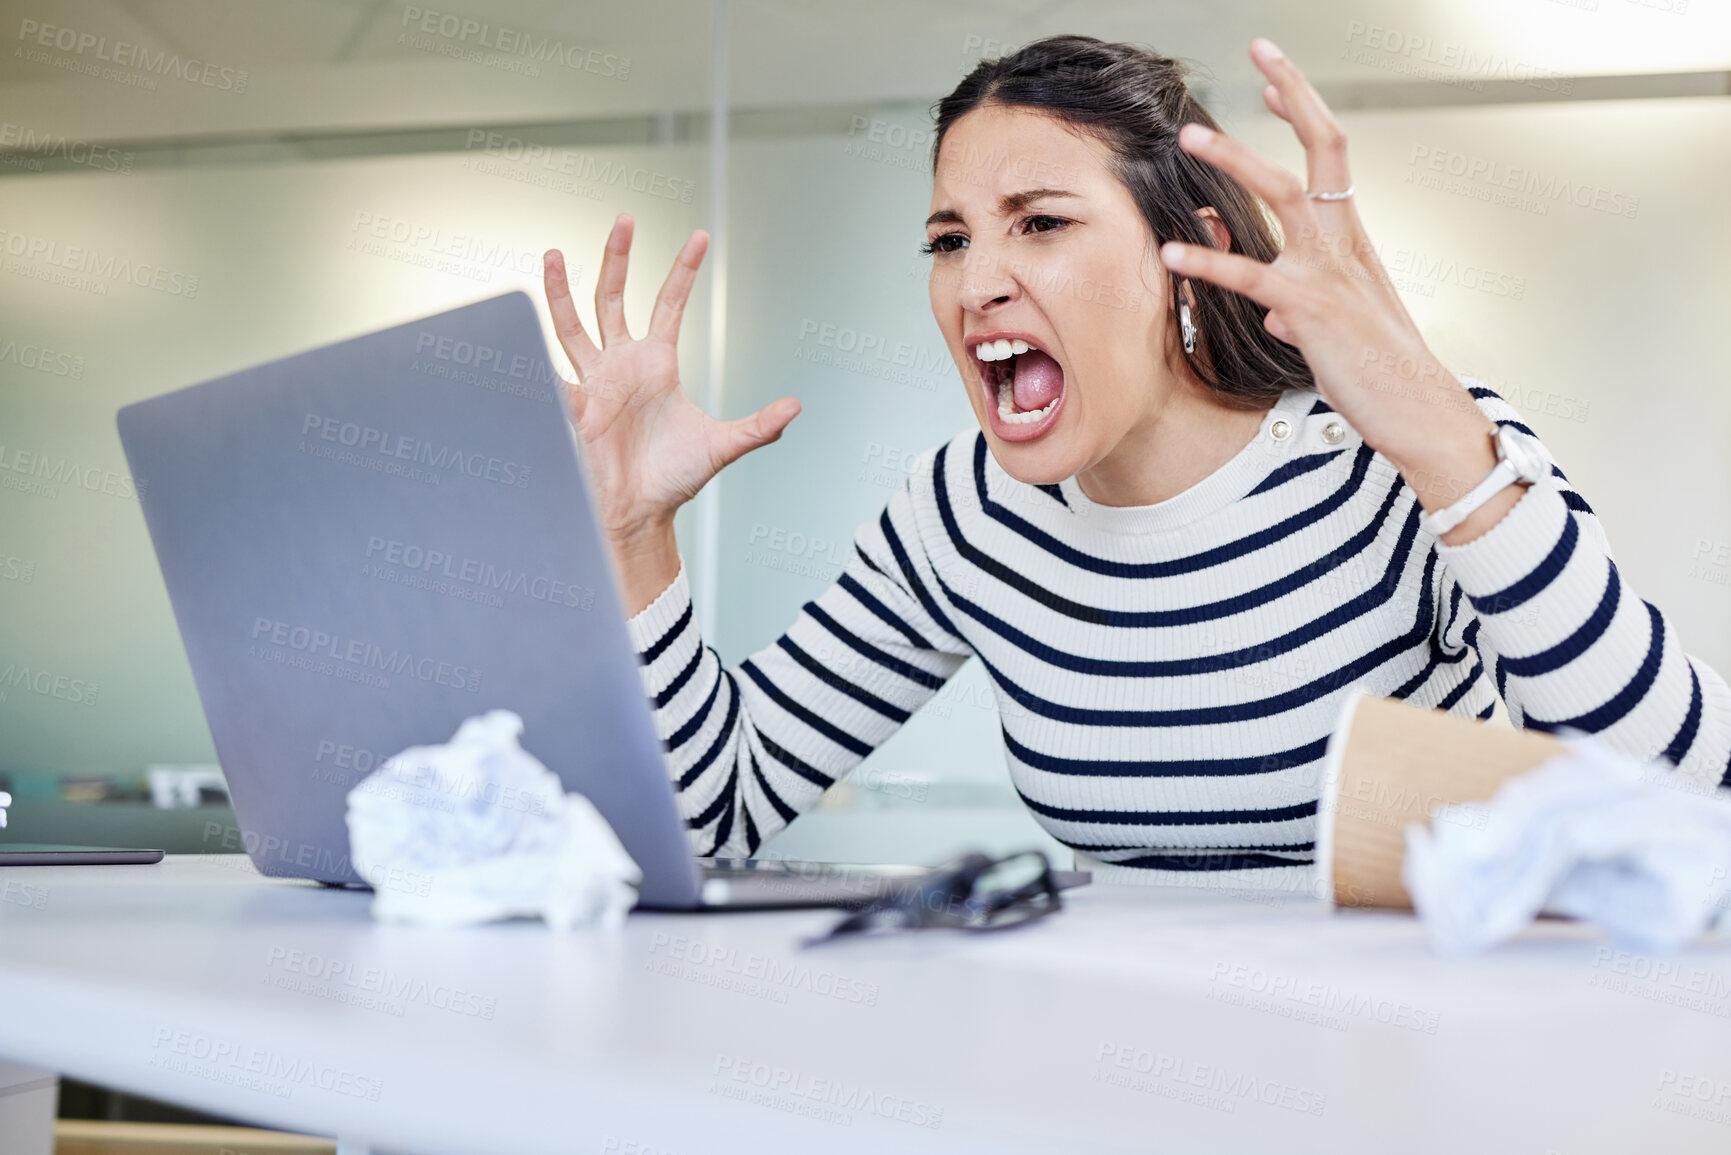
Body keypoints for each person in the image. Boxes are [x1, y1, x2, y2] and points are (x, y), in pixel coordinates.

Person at [539, 36, 1730, 889]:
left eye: (1041, 222)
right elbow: (714, 816)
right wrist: (638, 538)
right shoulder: (966, 514)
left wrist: (1440, 441)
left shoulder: (1405, 460)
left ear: (1192, 255)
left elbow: (1694, 801)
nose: (978, 281)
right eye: (949, 239)